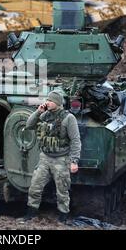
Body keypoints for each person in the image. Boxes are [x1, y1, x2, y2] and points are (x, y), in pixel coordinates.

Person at [23, 90, 82, 223]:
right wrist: (38, 112)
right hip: (45, 157)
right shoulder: (45, 115)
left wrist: (74, 161)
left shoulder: (68, 118)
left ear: (57, 103)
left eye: (50, 101)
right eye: (47, 100)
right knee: (34, 187)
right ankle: (30, 214)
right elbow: (29, 125)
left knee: (62, 190)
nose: (47, 102)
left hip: (61, 159)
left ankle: (63, 217)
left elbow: (75, 140)